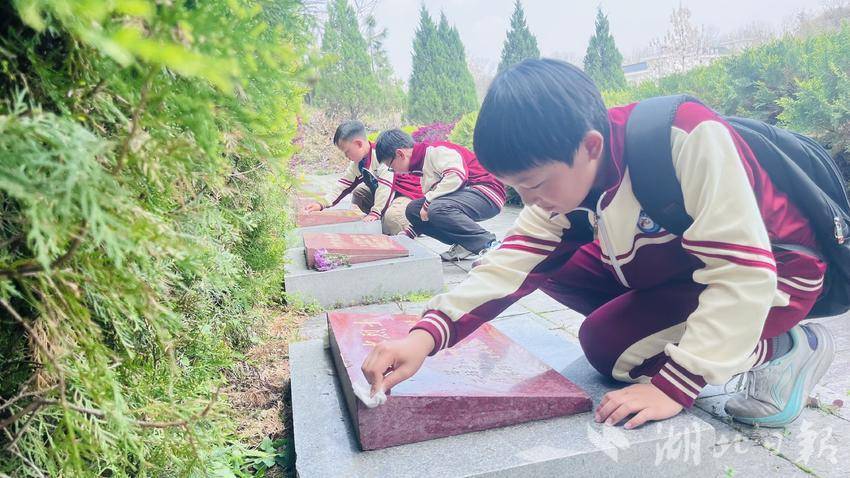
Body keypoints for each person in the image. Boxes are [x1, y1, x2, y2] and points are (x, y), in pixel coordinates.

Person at [361, 59, 835, 430]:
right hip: (680, 262)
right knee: (551, 266)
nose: (530, 200)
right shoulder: (566, 174)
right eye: (517, 188)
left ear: (590, 146)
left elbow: (743, 274)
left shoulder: (684, 138)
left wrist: (674, 386)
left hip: (774, 276)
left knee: (609, 348)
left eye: (535, 184)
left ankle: (785, 346)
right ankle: (669, 325)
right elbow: (511, 261)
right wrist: (423, 337)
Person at [375, 129, 506, 261]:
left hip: (487, 192)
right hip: (467, 194)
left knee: (436, 208)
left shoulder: (435, 151)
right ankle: (466, 244)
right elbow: (430, 205)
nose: (394, 171)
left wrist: (428, 203)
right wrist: (410, 232)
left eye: (391, 166)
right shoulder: (421, 167)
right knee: (413, 210)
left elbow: (456, 176)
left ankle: (490, 245)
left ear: (400, 154)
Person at [302, 121, 423, 235]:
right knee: (359, 193)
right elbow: (343, 185)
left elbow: (386, 187)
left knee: (393, 217)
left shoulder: (381, 155)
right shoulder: (358, 163)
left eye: (347, 151)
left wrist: (375, 212)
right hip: (388, 195)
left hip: (407, 195)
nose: (346, 156)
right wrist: (321, 204)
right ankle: (382, 218)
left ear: (359, 144)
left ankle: (412, 226)